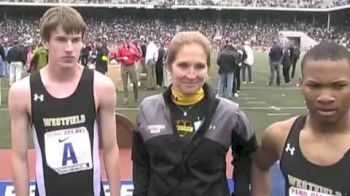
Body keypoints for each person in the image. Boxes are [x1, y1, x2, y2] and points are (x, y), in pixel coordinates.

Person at [9, 6, 120, 196]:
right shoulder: (23, 91)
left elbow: (110, 149)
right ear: (45, 41)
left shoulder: (101, 86)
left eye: (76, 40)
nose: (69, 48)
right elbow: (19, 158)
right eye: (61, 40)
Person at [132, 31, 257, 196]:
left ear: (208, 68)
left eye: (199, 66)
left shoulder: (229, 113)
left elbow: (247, 155)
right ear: (169, 66)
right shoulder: (148, 110)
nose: (191, 75)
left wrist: (241, 192)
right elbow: (141, 162)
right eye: (183, 65)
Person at [251, 42, 350, 196]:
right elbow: (259, 166)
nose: (325, 97)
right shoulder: (279, 135)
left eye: (338, 86)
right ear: (301, 84)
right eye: (314, 86)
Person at [116, 35, 141, 105]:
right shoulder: (120, 47)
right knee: (124, 83)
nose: (127, 41)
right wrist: (122, 58)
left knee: (135, 82)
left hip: (131, 65)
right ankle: (125, 98)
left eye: (128, 39)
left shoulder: (133, 47)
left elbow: (139, 55)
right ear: (124, 40)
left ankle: (136, 97)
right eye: (126, 39)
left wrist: (134, 53)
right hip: (124, 66)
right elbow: (117, 57)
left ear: (129, 40)